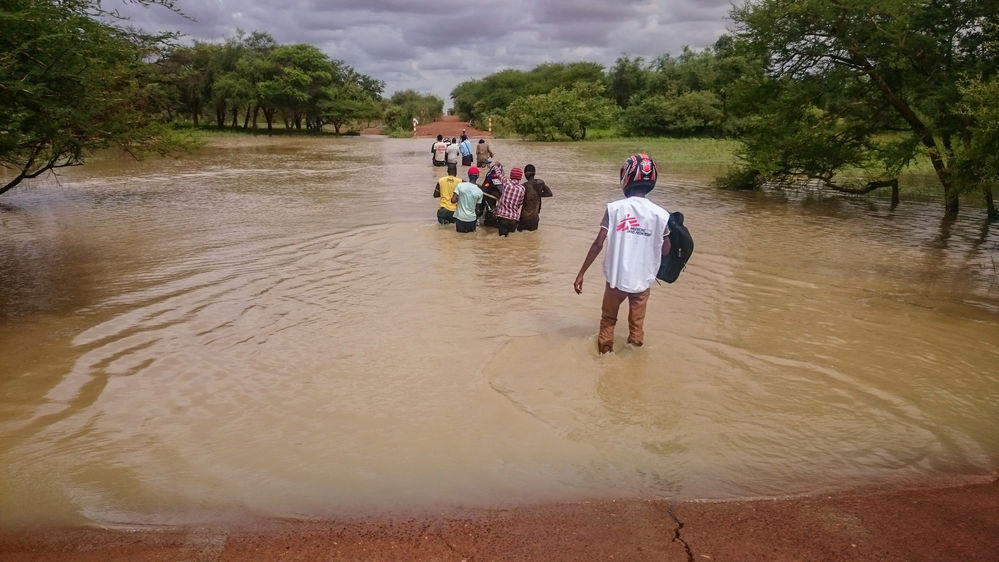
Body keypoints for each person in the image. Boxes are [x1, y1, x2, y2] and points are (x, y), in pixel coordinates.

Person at [573, 154, 671, 354]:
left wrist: (581, 272)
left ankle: (604, 359)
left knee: (608, 320)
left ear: (626, 177)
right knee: (637, 326)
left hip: (616, 280)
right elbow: (666, 249)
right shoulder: (661, 215)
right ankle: (632, 364)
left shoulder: (615, 209)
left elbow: (598, 244)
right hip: (642, 282)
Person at [517, 164, 553, 231]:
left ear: (526, 174)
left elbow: (518, 201)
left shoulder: (524, 186)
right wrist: (538, 194)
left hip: (524, 218)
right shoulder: (540, 183)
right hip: (535, 218)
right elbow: (549, 193)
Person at [493, 166, 525, 236]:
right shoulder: (522, 189)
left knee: (501, 238)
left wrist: (496, 166)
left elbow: (499, 174)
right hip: (514, 219)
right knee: (510, 238)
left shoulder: (506, 182)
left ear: (511, 175)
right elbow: (520, 203)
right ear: (520, 177)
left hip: (502, 217)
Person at [451, 166, 484, 233]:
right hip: (471, 219)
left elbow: (453, 200)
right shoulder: (480, 192)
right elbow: (477, 209)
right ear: (478, 176)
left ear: (468, 175)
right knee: (471, 239)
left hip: (460, 219)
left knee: (460, 238)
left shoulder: (460, 186)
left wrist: (460, 198)